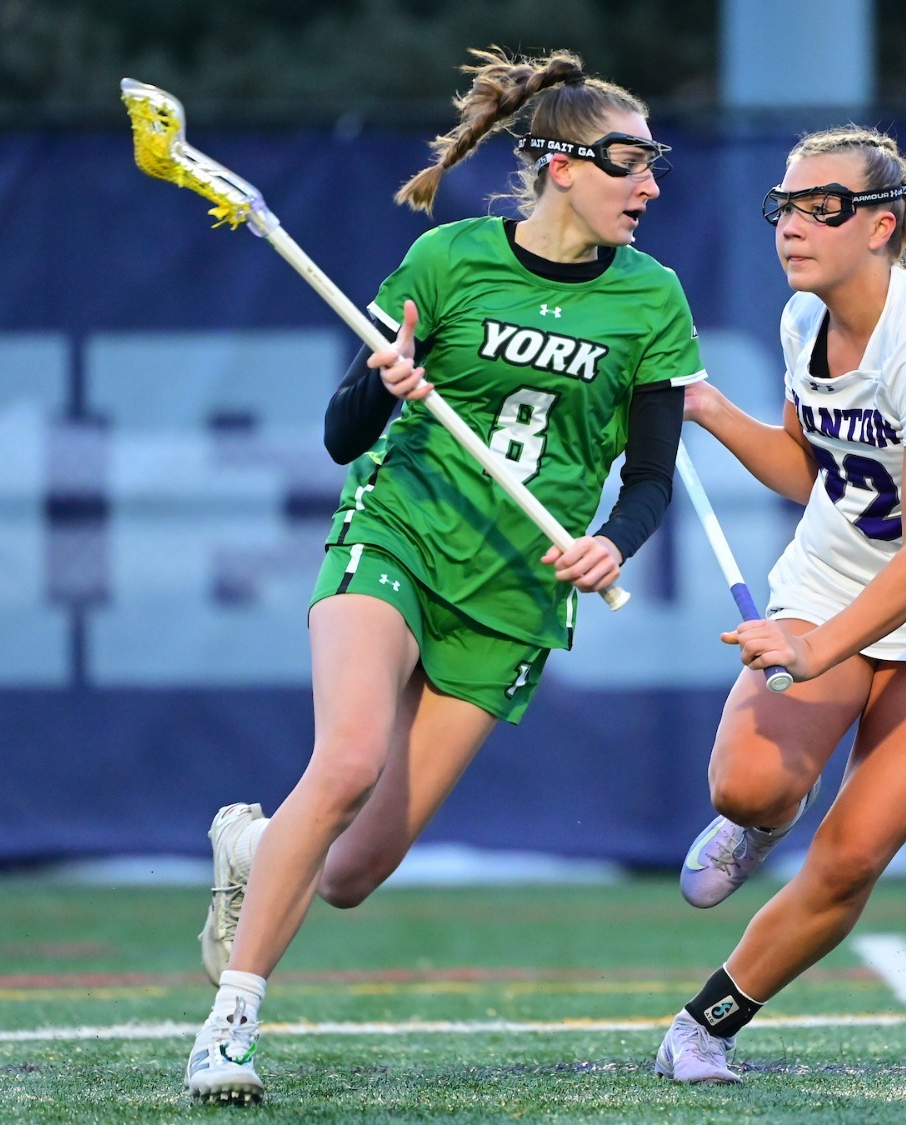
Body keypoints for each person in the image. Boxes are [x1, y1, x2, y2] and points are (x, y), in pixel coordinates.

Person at [181, 47, 705, 1104]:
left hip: (515, 589)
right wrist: (386, 384)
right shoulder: (446, 261)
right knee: (346, 762)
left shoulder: (651, 298)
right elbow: (341, 436)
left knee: (350, 875)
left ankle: (252, 845)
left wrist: (614, 541)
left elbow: (649, 473)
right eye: (628, 163)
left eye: (652, 164)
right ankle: (225, 1030)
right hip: (402, 534)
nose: (649, 185)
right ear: (559, 163)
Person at [651, 126, 906, 1084]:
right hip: (834, 576)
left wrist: (819, 649)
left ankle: (704, 1025)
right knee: (745, 788)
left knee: (854, 854)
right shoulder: (802, 321)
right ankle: (763, 821)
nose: (792, 223)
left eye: (821, 205)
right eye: (784, 204)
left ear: (883, 223)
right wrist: (709, 409)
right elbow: (808, 473)